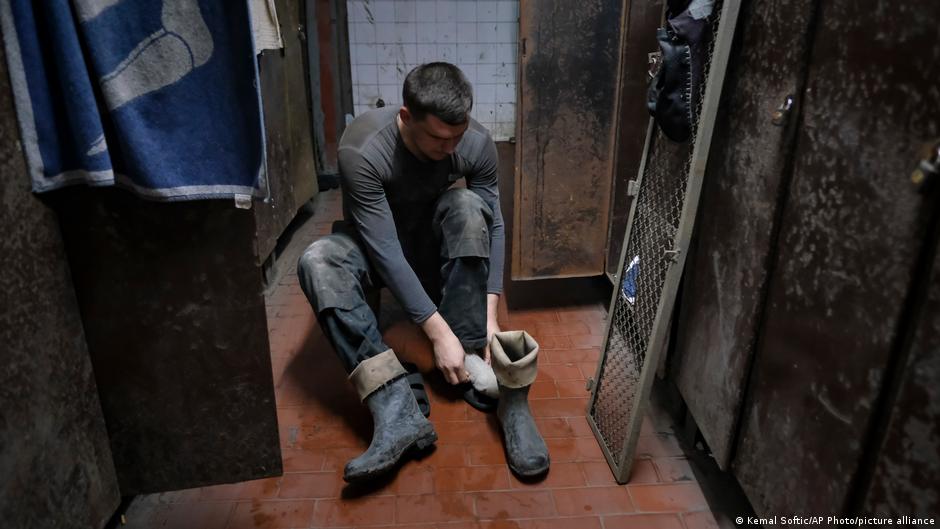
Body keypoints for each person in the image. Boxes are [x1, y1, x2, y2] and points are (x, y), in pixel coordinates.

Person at [297, 62, 506, 482]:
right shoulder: (363, 148)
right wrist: (436, 332)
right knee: (318, 260)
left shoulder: (476, 143)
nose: (451, 148)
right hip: (375, 249)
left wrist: (490, 315)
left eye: (458, 136)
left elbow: (493, 223)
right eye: (439, 138)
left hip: (428, 244)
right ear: (406, 117)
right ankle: (396, 406)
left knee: (468, 208)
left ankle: (463, 363)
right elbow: (385, 249)